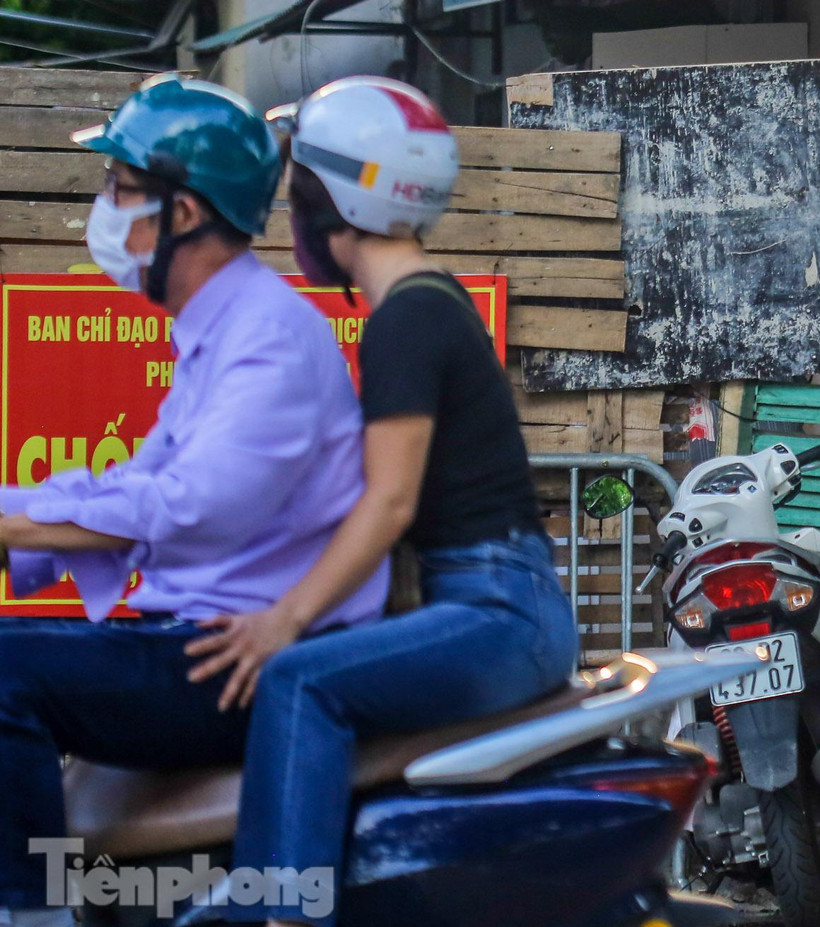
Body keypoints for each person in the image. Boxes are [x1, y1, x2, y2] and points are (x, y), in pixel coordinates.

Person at [183, 77, 577, 927]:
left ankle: (280, 913)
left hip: (500, 607)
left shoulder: (404, 318)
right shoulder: (427, 302)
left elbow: (389, 503)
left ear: (336, 198)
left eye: (296, 194)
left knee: (298, 678)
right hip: (503, 598)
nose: (288, 217)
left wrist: (283, 618)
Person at [0, 75, 386, 927]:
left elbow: (191, 505)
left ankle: (28, 915)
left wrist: (16, 525)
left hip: (235, 657)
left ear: (183, 213)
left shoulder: (269, 338)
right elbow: (132, 484)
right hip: (202, 639)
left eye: (121, 190)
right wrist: (15, 530)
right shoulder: (217, 331)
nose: (106, 211)